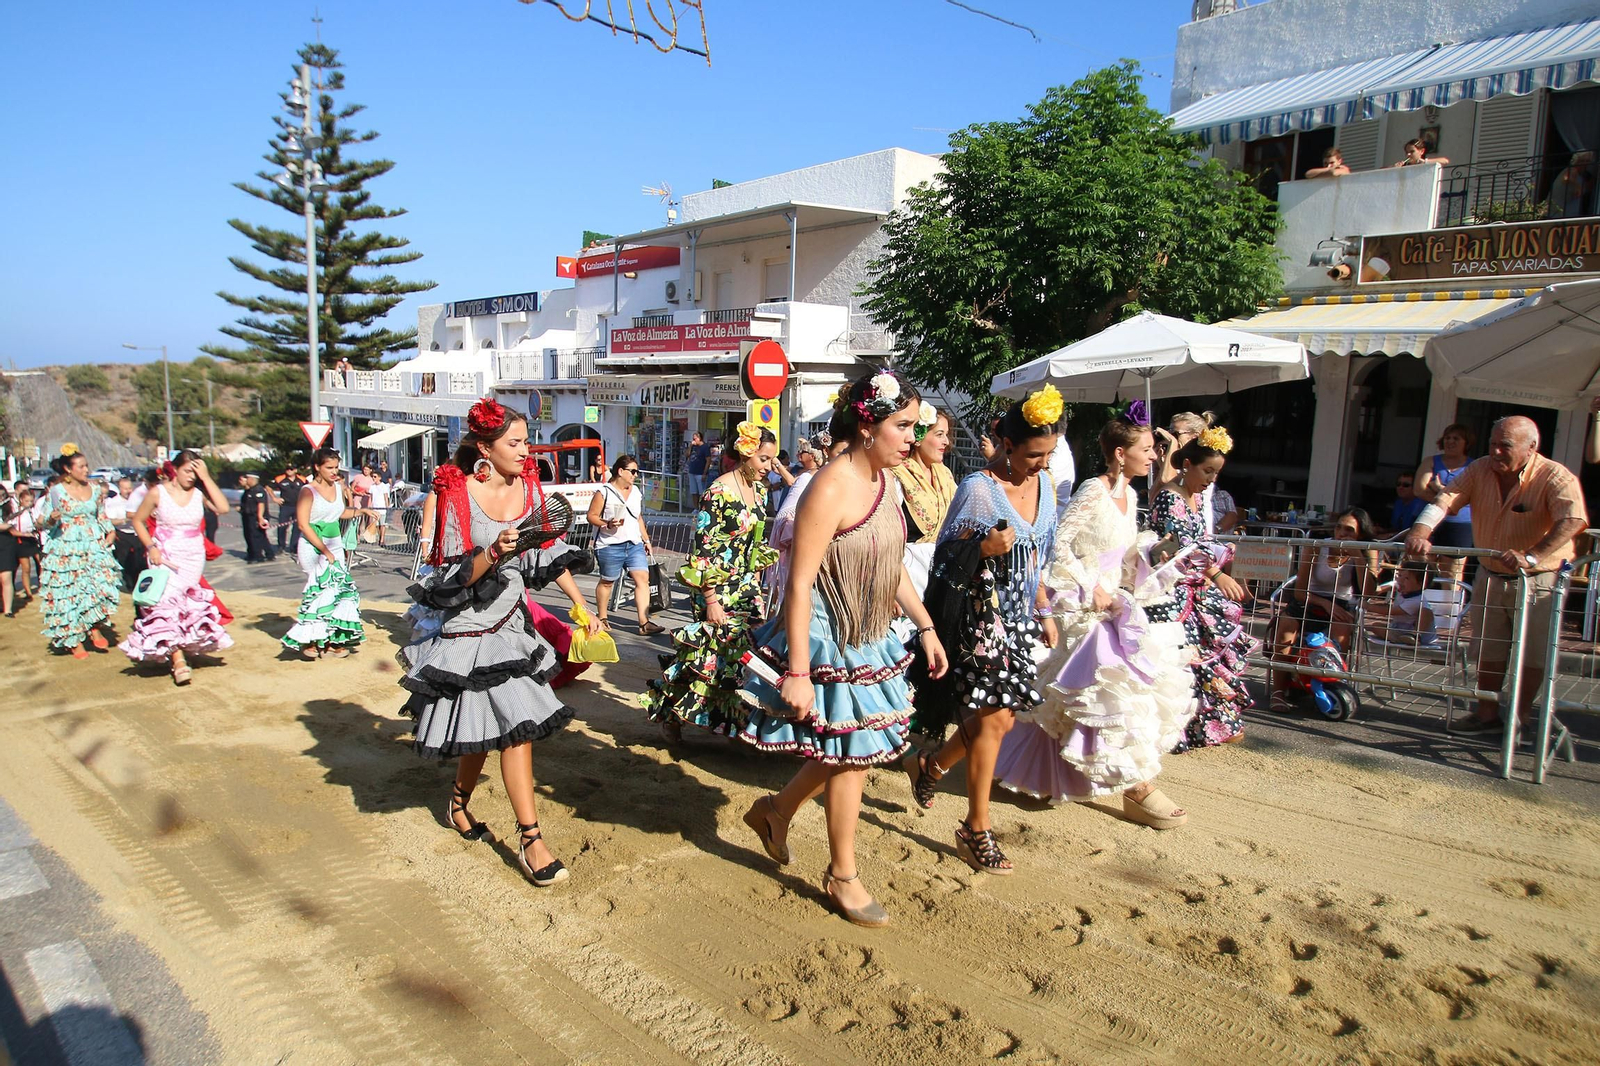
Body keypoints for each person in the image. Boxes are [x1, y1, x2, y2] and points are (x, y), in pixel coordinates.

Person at [738, 371, 948, 927]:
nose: (913, 437)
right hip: (829, 635)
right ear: (867, 426)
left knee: (851, 749)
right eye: (904, 426)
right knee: (853, 754)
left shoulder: (887, 481)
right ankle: (842, 874)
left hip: (869, 631)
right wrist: (798, 671)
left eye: (915, 427)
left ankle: (776, 811)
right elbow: (799, 583)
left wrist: (925, 626)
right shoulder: (829, 487)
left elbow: (889, 565)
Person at [397, 398, 601, 888]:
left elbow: (542, 555)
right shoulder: (457, 494)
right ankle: (532, 840)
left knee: (494, 726)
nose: (526, 450)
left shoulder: (529, 487)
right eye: (515, 442)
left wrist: (581, 605)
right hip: (468, 629)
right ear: (485, 448)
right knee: (514, 728)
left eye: (527, 440)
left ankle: (457, 804)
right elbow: (451, 577)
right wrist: (491, 552)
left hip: (511, 625)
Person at [990, 409, 1196, 823]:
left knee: (1094, 696)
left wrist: (1150, 556)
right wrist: (1091, 585)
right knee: (1106, 692)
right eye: (1146, 449)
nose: (1154, 456)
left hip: (1115, 603)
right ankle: (1137, 787)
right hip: (1078, 603)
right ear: (1120, 453)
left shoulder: (1132, 496)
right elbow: (1057, 544)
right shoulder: (1092, 490)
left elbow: (1120, 553)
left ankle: (1036, 770)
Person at [901, 386, 1062, 874]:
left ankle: (932, 766)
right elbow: (944, 562)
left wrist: (1043, 610)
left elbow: (1039, 558)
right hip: (979, 619)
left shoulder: (1047, 487)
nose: (1043, 464)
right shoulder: (977, 489)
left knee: (1002, 721)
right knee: (992, 721)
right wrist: (983, 551)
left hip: (1018, 621)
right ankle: (976, 827)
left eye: (1049, 454)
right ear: (1007, 445)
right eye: (1034, 455)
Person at [1403, 416, 1587, 735]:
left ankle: (1520, 717)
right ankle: (1486, 714)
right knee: (1488, 647)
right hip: (1490, 574)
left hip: (1539, 579)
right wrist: (1420, 531)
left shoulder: (1555, 475)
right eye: (1493, 443)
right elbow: (1445, 499)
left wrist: (1532, 555)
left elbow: (1573, 520)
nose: (1496, 451)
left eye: (1505, 445)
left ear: (1531, 448)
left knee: (1533, 651)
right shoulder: (1479, 468)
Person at [644, 421, 780, 742]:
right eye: (763, 459)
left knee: (745, 658)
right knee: (705, 658)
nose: (768, 467)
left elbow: (754, 545)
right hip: (716, 589)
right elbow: (702, 551)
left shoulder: (760, 491)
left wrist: (756, 585)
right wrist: (711, 601)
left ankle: (736, 725)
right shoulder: (717, 493)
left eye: (772, 460)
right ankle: (672, 715)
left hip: (746, 589)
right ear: (745, 453)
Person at [1144, 427, 1258, 749]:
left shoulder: (1194, 498)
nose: (1211, 479)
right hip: (1169, 595)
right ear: (1187, 465)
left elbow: (1201, 544)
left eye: (1216, 473)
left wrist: (1219, 565)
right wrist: (1217, 574)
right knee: (1179, 660)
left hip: (1192, 592)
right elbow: (1180, 548)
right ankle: (1177, 729)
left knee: (1198, 658)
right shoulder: (1169, 497)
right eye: (1207, 470)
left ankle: (1205, 725)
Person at [118, 451, 232, 683]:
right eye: (188, 471)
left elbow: (223, 508)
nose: (192, 476)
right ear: (175, 470)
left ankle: (184, 646)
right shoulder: (158, 492)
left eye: (195, 472)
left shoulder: (198, 493)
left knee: (187, 604)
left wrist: (206, 477)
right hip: (165, 554)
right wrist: (151, 546)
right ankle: (177, 659)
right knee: (165, 604)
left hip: (193, 555)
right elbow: (138, 520)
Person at [1268, 508, 1381, 712]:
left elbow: (1368, 592)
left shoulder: (1367, 549)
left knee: (1341, 630)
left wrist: (1357, 555)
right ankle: (1278, 691)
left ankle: (1332, 686)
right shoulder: (1318, 547)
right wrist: (1324, 603)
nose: (1342, 534)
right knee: (1286, 627)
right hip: (1311, 600)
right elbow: (1300, 592)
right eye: (1338, 527)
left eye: (1349, 530)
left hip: (1342, 603)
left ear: (1360, 534)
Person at [282, 447, 371, 659]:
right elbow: (303, 525)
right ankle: (313, 639)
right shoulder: (308, 491)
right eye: (329, 467)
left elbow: (339, 513)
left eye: (336, 467)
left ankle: (332, 638)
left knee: (338, 590)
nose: (334, 471)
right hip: (313, 545)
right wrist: (324, 550)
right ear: (317, 467)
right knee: (321, 591)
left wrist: (360, 511)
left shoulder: (338, 488)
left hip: (334, 543)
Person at [37, 450, 123, 658]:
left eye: (86, 465)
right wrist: (52, 518)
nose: (86, 470)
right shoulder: (56, 491)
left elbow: (101, 515)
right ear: (68, 469)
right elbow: (41, 522)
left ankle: (93, 626)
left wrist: (110, 532)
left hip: (92, 546)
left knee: (98, 586)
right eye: (81, 466)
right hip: (65, 548)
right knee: (69, 593)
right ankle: (73, 639)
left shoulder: (95, 490)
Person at [585, 456, 663, 636]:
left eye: (637, 472)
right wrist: (607, 523)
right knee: (607, 582)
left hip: (634, 543)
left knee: (642, 579)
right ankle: (602, 617)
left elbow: (638, 517)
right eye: (633, 471)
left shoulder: (635, 492)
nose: (635, 475)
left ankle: (644, 622)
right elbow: (592, 516)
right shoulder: (604, 492)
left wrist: (646, 540)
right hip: (610, 544)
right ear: (620, 471)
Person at [889, 402, 955, 599]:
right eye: (939, 434)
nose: (946, 442)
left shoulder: (945, 475)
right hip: (908, 574)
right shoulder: (897, 475)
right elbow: (888, 538)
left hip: (941, 571)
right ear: (918, 438)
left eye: (946, 435)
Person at [766, 431, 831, 608]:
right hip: (788, 520)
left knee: (786, 571)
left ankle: (781, 608)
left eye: (802, 452)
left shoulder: (814, 474)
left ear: (812, 455)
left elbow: (791, 482)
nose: (798, 455)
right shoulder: (804, 471)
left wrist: (777, 464)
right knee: (782, 571)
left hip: (793, 522)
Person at [1414, 422, 1477, 581]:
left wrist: (1439, 488)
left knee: (1451, 573)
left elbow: (1472, 496)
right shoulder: (1430, 461)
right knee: (1421, 568)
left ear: (1466, 443)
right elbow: (1420, 489)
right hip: (1428, 522)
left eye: (1456, 438)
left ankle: (1449, 598)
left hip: (1459, 525)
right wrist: (1451, 499)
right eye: (1447, 438)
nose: (1450, 441)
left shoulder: (1474, 466)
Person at [1365, 560, 1438, 646]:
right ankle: (1402, 639)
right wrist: (1372, 590)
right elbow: (1380, 589)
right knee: (1376, 626)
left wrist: (1369, 606)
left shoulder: (1416, 600)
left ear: (1421, 584)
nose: (1401, 580)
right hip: (1399, 628)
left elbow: (1392, 611)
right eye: (1400, 576)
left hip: (1418, 634)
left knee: (1426, 611)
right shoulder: (1401, 586)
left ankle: (1415, 637)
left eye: (1407, 578)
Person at [106, 476, 145, 591]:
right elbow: (110, 521)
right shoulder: (113, 502)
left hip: (137, 533)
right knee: (126, 561)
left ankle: (139, 584)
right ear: (120, 489)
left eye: (129, 488)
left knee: (140, 561)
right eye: (125, 489)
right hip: (122, 534)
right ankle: (129, 585)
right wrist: (126, 519)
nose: (128, 491)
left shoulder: (137, 500)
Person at [1545, 150, 1595, 219]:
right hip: (1555, 213)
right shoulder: (1572, 170)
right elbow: (1566, 178)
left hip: (1566, 215)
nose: (1586, 165)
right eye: (1584, 161)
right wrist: (1577, 186)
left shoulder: (1580, 177)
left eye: (1588, 162)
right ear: (1578, 161)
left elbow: (1587, 188)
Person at [238, 473, 275, 563]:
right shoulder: (250, 490)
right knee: (256, 536)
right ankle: (268, 554)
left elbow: (261, 504)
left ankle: (258, 556)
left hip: (256, 516)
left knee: (255, 537)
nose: (246, 480)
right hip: (249, 516)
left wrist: (260, 517)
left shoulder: (258, 490)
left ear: (252, 479)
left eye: (247, 478)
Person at [13, 487, 39, 599]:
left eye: (31, 501)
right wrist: (24, 534)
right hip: (21, 539)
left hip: (33, 538)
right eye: (27, 501)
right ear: (21, 500)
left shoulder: (33, 511)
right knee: (26, 567)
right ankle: (28, 592)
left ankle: (43, 585)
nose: (29, 503)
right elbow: (12, 527)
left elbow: (38, 522)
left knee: (41, 562)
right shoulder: (17, 512)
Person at [275, 467, 304, 555]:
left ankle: (294, 547)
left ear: (295, 470)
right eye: (287, 469)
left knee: (297, 528)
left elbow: (309, 489)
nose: (289, 471)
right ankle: (281, 546)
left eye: (291, 469)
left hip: (298, 506)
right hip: (285, 506)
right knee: (282, 526)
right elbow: (268, 487)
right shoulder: (280, 479)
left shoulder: (302, 479)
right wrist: (274, 498)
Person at [0, 486, 17, 618]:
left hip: (5, 542)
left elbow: (13, 523)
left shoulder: (9, 508)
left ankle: (8, 609)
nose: (1, 498)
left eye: (3, 496)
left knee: (6, 577)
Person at [365, 474, 391, 547]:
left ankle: (382, 539)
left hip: (382, 508)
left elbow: (386, 496)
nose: (373, 478)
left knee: (382, 524)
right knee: (376, 525)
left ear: (379, 478)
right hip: (375, 508)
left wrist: (387, 506)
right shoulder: (372, 486)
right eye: (373, 477)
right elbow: (371, 497)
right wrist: (370, 506)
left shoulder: (384, 486)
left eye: (375, 477)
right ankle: (379, 537)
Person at [686, 431, 711, 497]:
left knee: (702, 492)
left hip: (700, 473)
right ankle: (695, 504)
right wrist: (690, 446)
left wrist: (704, 473)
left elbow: (708, 461)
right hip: (692, 471)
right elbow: (687, 455)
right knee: (693, 492)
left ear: (699, 438)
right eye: (693, 439)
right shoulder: (693, 446)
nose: (693, 440)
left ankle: (701, 504)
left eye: (695, 439)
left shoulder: (705, 447)